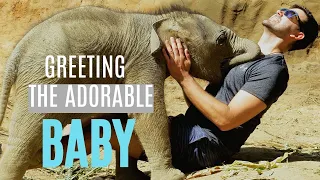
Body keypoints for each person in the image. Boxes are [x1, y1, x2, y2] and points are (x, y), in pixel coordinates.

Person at [20, 3, 316, 177]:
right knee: (115, 99)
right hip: (188, 130)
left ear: (297, 34)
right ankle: (125, 171)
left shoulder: (272, 69)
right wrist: (179, 73)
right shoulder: (242, 59)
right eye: (283, 7)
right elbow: (203, 105)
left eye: (291, 14)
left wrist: (183, 77)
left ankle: (31, 156)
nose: (282, 11)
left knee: (105, 128)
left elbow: (227, 120)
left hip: (203, 148)